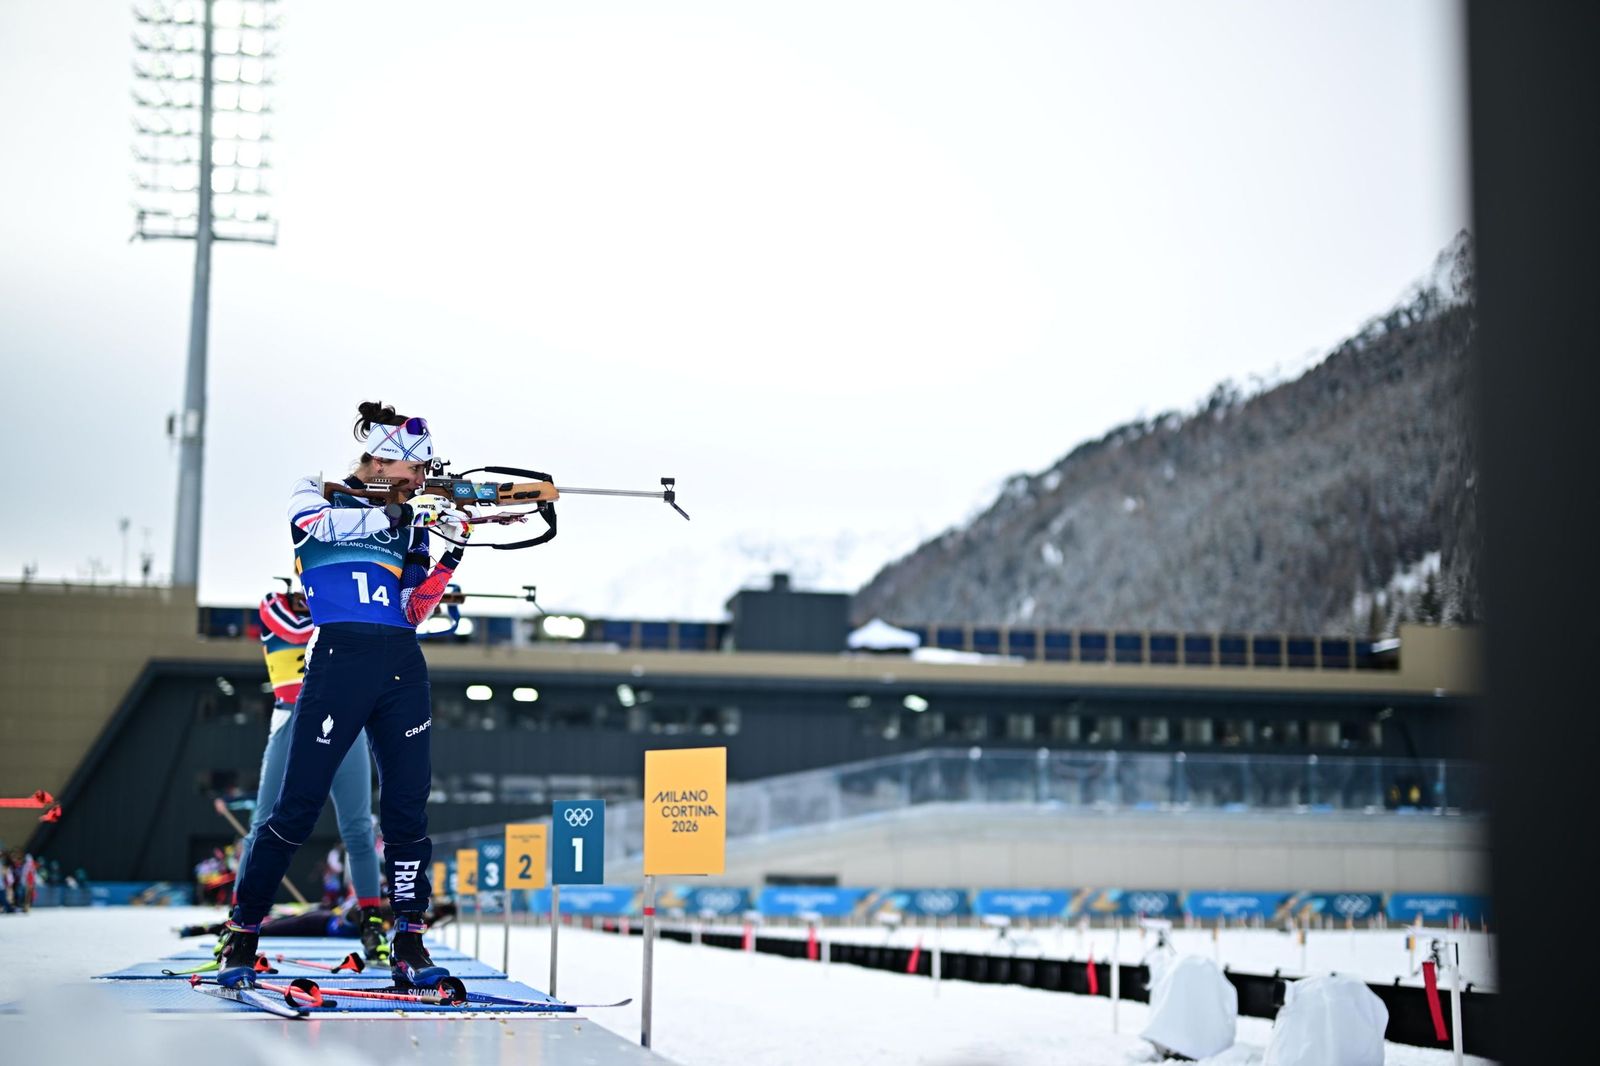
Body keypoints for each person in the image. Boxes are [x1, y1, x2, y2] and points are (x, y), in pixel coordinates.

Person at [216, 402, 469, 988]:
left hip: (401, 662)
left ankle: (409, 939)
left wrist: (449, 550)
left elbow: (415, 607)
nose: (419, 483)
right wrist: (404, 513)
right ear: (380, 461)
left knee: (408, 811)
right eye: (412, 473)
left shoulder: (407, 517)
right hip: (339, 657)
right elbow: (320, 529)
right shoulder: (317, 493)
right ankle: (243, 934)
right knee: (296, 809)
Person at [235, 584, 388, 962]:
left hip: (342, 721)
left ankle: (371, 923)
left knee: (359, 827)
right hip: (292, 717)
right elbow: (293, 629)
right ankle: (236, 923)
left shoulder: (340, 611)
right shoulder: (275, 604)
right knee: (263, 825)